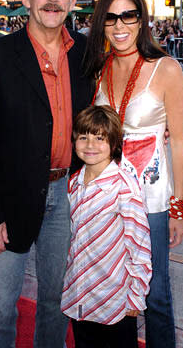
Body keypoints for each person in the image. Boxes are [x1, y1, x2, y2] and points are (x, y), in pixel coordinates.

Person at [0, 0, 93, 348]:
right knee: (1, 307)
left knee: (56, 302)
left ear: (72, 1)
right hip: (9, 199)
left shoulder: (87, 53)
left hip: (68, 197)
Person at [85, 0, 183, 348]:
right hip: (108, 199)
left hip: (152, 201)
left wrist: (179, 207)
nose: (119, 25)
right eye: (111, 17)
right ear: (102, 23)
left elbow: (179, 141)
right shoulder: (99, 67)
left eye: (128, 15)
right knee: (114, 288)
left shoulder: (166, 69)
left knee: (156, 296)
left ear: (141, 19)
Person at [61, 105, 152, 348]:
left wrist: (135, 298)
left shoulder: (124, 188)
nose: (90, 145)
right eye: (83, 137)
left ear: (114, 144)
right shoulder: (74, 183)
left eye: (99, 138)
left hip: (113, 299)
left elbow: (139, 247)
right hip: (80, 292)